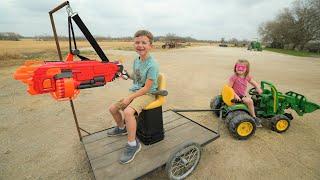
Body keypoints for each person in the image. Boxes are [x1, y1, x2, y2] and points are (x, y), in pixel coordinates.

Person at [107, 30, 159, 164]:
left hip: (148, 94)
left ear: (150, 46)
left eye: (144, 43)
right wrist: (125, 75)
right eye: (137, 42)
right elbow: (136, 77)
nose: (140, 45)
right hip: (136, 92)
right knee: (112, 108)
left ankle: (132, 144)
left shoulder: (152, 65)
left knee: (128, 112)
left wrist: (130, 98)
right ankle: (121, 128)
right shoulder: (137, 60)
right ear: (133, 44)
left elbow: (147, 88)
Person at [228, 59, 263, 127]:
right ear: (235, 67)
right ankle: (254, 117)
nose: (240, 69)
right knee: (250, 101)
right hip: (235, 96)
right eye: (238, 67)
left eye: (242, 67)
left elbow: (254, 83)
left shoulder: (247, 77)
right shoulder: (234, 77)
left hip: (242, 95)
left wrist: (258, 88)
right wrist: (235, 96)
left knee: (248, 97)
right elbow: (229, 88)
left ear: (246, 69)